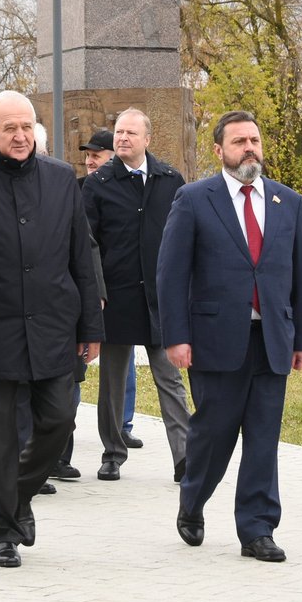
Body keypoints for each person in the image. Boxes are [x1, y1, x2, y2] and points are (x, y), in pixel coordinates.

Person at [0, 90, 102, 569]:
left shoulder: (61, 179)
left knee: (59, 420)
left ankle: (17, 497)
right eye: (9, 128)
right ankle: (3, 532)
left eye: (26, 126)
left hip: (55, 326)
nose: (19, 136)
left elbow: (81, 255)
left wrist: (91, 325)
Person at [158, 110, 302, 563]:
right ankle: (193, 501)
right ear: (219, 150)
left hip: (271, 339)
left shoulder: (285, 201)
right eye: (239, 141)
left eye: (255, 140)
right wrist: (176, 337)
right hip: (214, 338)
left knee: (264, 437)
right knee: (213, 433)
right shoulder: (194, 199)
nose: (249, 148)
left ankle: (257, 528)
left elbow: (301, 274)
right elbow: (171, 275)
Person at [83, 108, 191, 483]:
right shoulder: (97, 183)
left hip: (161, 299)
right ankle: (113, 452)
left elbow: (184, 237)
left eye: (131, 132)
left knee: (171, 379)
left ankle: (184, 456)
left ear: (147, 139)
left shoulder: (169, 179)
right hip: (117, 298)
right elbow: (88, 244)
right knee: (112, 382)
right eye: (119, 133)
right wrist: (96, 293)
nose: (123, 138)